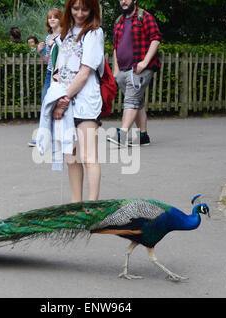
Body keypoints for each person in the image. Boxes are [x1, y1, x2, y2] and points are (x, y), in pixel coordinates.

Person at [47, 0, 104, 202]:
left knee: (88, 156)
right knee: (71, 157)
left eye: (85, 9)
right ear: (69, 8)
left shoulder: (95, 33)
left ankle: (91, 208)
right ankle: (75, 206)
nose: (80, 13)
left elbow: (85, 71)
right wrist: (58, 93)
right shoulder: (65, 33)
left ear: (92, 10)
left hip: (85, 101)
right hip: (65, 98)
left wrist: (64, 100)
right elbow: (58, 66)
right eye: (75, 8)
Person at [107, 0, 162, 147]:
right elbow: (115, 46)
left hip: (139, 69)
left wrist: (144, 63)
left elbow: (156, 39)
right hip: (123, 70)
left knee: (131, 100)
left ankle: (122, 135)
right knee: (137, 101)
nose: (124, 1)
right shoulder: (119, 20)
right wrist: (116, 69)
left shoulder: (144, 16)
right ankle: (143, 136)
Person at [29, 9, 63, 147]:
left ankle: (58, 136)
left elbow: (66, 54)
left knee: (60, 104)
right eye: (50, 18)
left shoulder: (65, 35)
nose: (52, 20)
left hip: (61, 74)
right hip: (50, 73)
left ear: (61, 19)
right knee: (45, 103)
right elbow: (47, 60)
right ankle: (43, 137)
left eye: (55, 17)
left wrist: (57, 43)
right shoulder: (48, 37)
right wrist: (40, 53)